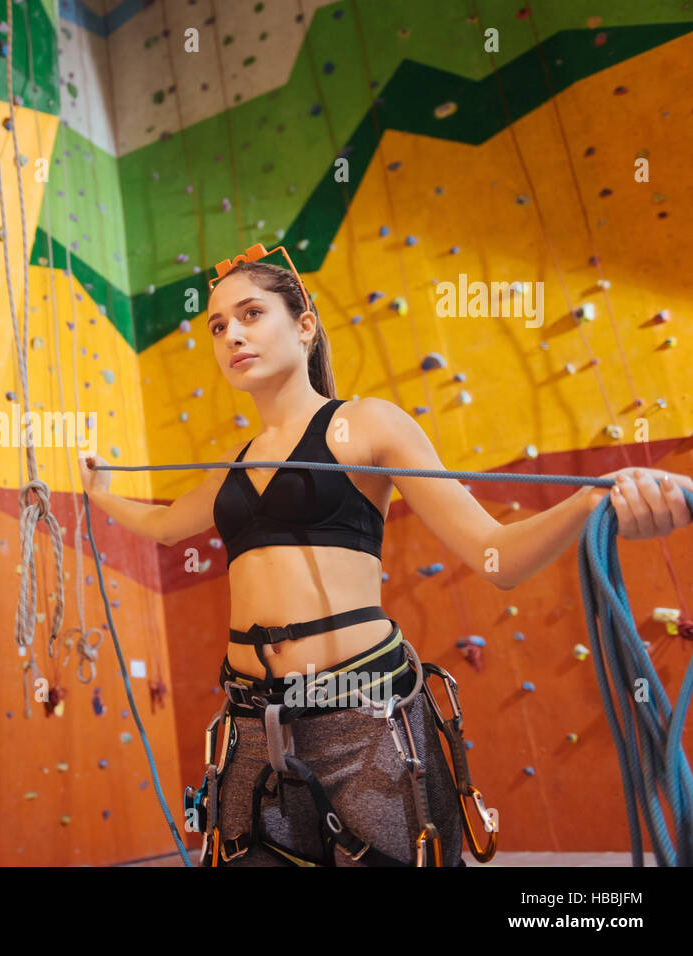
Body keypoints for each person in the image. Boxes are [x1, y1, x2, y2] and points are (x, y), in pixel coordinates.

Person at [78, 248, 693, 866]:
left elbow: (496, 556)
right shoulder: (229, 469)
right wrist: (99, 492)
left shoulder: (368, 425)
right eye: (217, 325)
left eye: (251, 313)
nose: (232, 333)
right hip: (251, 730)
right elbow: (161, 527)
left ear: (304, 325)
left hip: (364, 721)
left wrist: (591, 504)